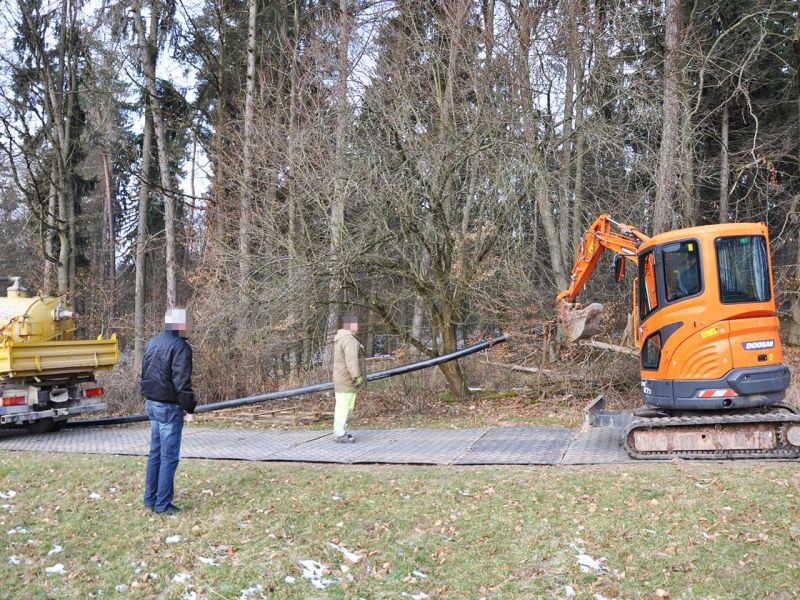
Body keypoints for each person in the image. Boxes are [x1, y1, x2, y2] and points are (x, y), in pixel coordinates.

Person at [140, 308, 197, 514]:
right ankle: (162, 505)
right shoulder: (181, 347)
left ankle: (150, 501)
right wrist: (189, 407)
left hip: (152, 404)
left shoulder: (152, 342)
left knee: (155, 454)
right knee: (169, 457)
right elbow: (182, 383)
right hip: (169, 407)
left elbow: (145, 374)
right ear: (180, 325)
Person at [331, 314, 366, 443]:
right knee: (345, 408)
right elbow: (351, 361)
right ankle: (340, 434)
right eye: (355, 325)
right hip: (347, 380)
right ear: (351, 326)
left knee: (343, 407)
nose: (357, 327)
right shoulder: (349, 340)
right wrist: (357, 376)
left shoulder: (341, 338)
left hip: (342, 379)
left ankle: (340, 431)